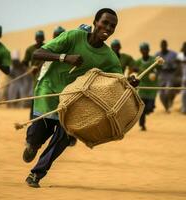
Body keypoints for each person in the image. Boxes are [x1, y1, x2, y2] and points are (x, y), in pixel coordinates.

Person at [23, 8, 132, 188]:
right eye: (105, 23)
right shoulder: (73, 36)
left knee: (64, 136)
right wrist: (65, 58)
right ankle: (32, 144)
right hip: (48, 92)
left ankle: (36, 174)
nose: (108, 28)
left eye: (112, 26)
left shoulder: (109, 57)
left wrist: (131, 82)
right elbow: (37, 54)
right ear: (95, 22)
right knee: (37, 136)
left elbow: (119, 81)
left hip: (73, 102)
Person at [22, 31, 46, 116]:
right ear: (35, 38)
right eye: (38, 37)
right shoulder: (30, 49)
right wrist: (29, 69)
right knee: (35, 94)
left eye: (41, 37)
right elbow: (24, 63)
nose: (39, 39)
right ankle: (33, 116)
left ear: (43, 38)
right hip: (33, 75)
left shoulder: (47, 47)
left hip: (44, 73)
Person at [136, 42, 158, 131]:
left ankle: (151, 108)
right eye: (143, 49)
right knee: (142, 109)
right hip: (142, 88)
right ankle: (142, 125)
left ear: (148, 50)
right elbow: (133, 68)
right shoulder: (138, 61)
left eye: (146, 49)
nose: (144, 51)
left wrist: (159, 64)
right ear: (140, 51)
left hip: (152, 88)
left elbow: (160, 66)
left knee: (149, 108)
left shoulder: (153, 60)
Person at [155, 40, 178, 113]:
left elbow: (177, 65)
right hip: (161, 75)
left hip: (170, 75)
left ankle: (171, 100)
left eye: (164, 45)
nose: (163, 47)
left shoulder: (173, 54)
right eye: (162, 45)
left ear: (166, 45)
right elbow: (154, 66)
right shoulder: (157, 55)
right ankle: (166, 107)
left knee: (168, 91)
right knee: (161, 95)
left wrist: (170, 68)